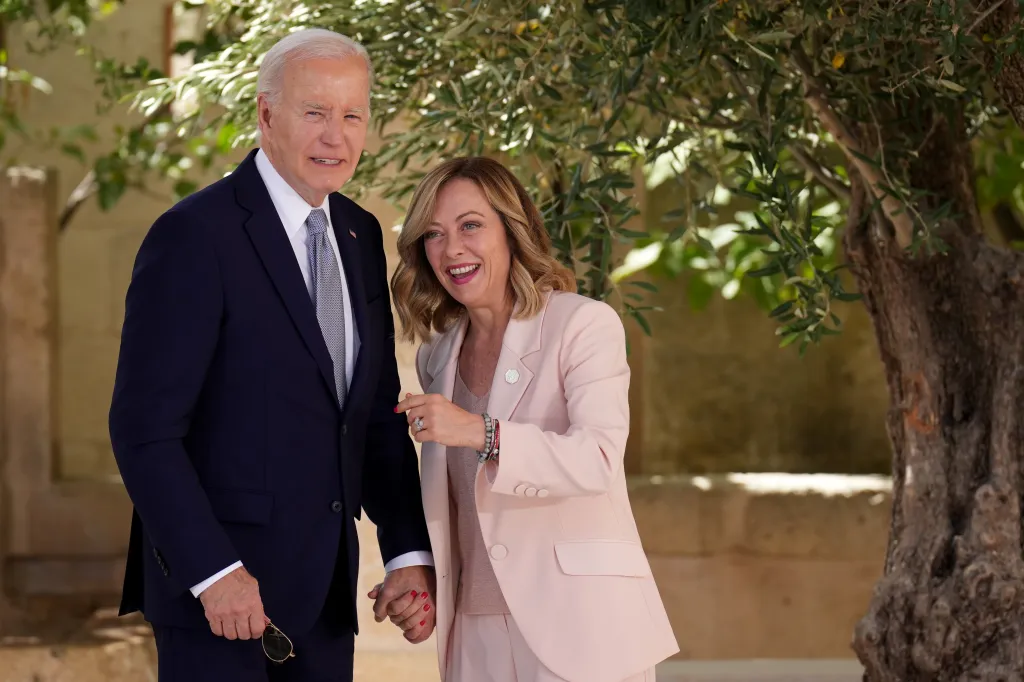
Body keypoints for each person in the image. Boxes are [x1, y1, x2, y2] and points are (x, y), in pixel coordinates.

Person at [108, 28, 435, 681]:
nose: (334, 136)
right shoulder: (195, 236)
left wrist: (407, 553)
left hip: (323, 602)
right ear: (265, 114)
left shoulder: (359, 233)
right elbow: (144, 431)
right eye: (315, 112)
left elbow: (369, 414)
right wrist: (213, 572)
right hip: (223, 603)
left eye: (352, 116)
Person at [380, 156, 679, 681]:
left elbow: (598, 460)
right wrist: (419, 574)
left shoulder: (582, 325)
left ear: (512, 230)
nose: (452, 249)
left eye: (471, 225)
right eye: (433, 234)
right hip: (472, 629)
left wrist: (479, 431)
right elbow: (458, 505)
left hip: (580, 629)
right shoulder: (437, 357)